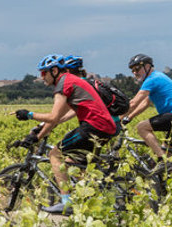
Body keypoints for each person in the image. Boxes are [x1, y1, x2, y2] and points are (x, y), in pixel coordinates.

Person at [14, 54, 118, 214]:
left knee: (55, 154)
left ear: (54, 71)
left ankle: (66, 202)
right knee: (75, 165)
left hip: (93, 127)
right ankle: (101, 203)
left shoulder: (63, 84)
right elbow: (56, 119)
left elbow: (53, 116)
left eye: (43, 73)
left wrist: (29, 114)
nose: (42, 77)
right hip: (105, 127)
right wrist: (36, 136)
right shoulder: (70, 80)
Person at [122, 53, 172, 171]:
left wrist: (117, 118)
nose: (135, 72)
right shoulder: (157, 77)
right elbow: (146, 103)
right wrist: (129, 117)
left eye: (137, 68)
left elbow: (133, 103)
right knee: (169, 155)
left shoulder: (152, 79)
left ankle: (162, 160)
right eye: (132, 70)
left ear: (147, 66)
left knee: (141, 127)